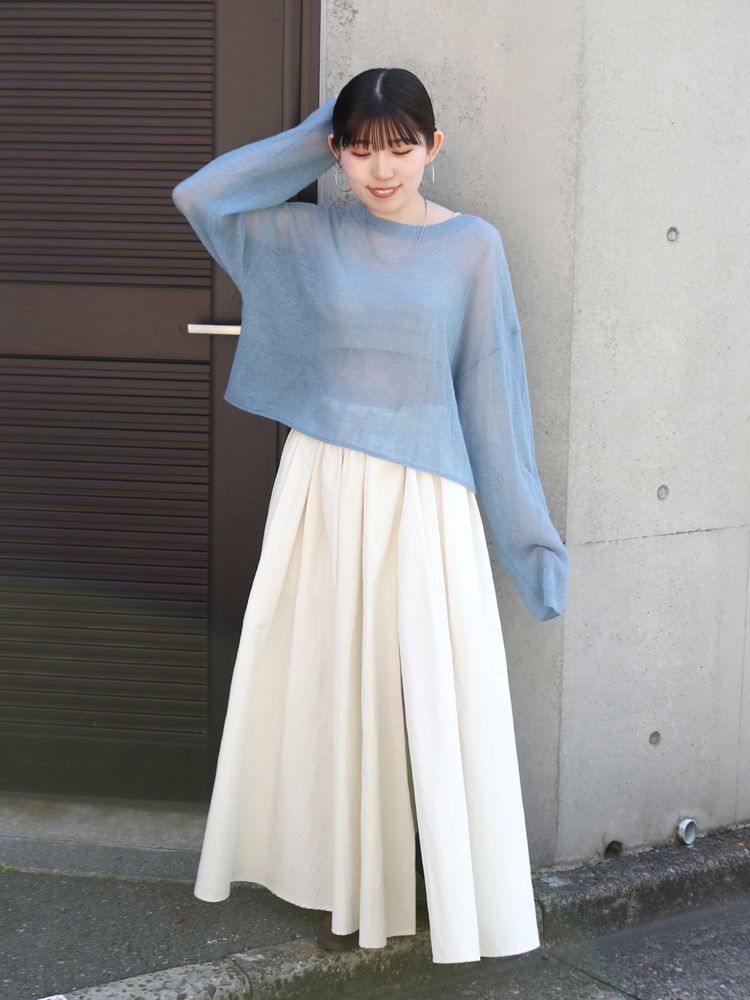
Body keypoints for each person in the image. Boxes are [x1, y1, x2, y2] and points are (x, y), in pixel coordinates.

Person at [171, 66, 568, 966]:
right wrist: (317, 133)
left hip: (426, 500)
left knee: (426, 693)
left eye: (400, 147)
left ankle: (438, 897)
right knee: (329, 685)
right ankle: (346, 888)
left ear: (434, 147)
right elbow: (201, 197)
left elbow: (493, 394)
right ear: (335, 153)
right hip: (323, 489)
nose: (381, 169)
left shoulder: (472, 247)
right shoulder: (310, 236)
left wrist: (529, 543)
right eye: (359, 149)